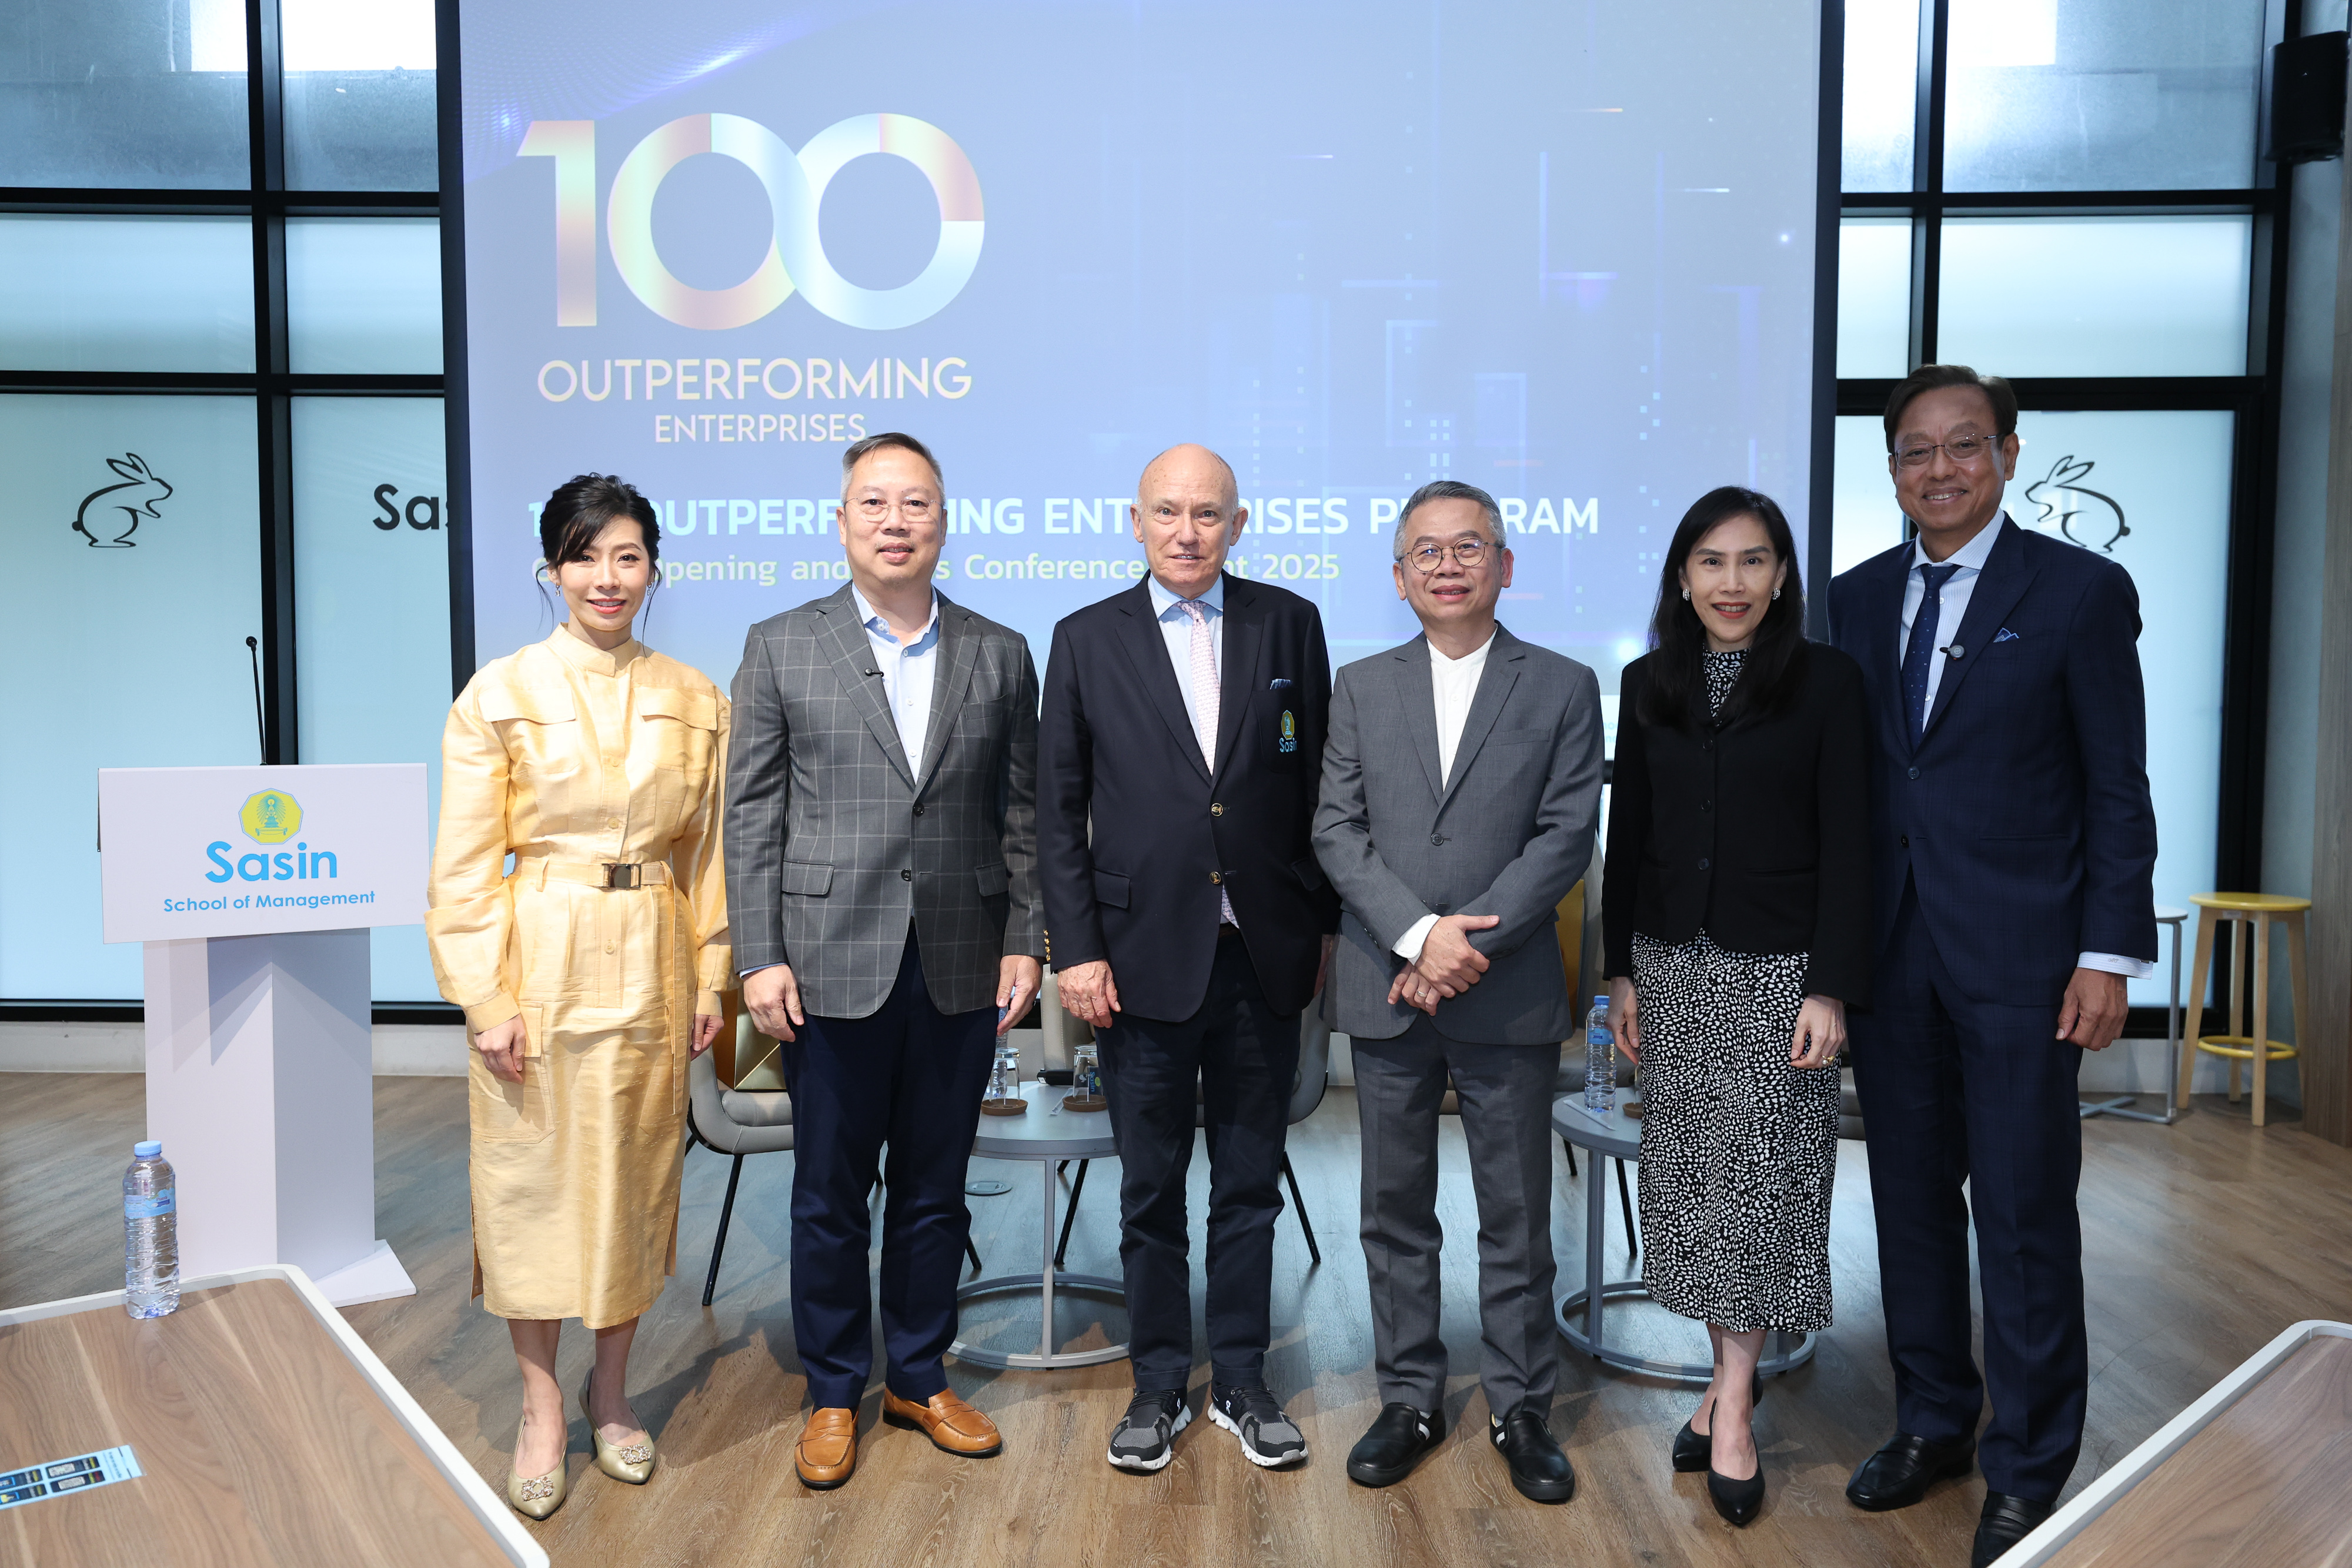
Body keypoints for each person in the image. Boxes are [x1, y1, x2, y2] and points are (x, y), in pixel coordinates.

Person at [1829, 366, 2156, 1568]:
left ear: (2009, 455)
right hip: (1892, 951)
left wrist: (2107, 952)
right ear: (1891, 471)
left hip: (2026, 954)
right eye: (1915, 451)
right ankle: (1932, 1420)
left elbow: (2116, 785)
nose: (1940, 469)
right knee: (1909, 1201)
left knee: (2022, 1212)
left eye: (1963, 445)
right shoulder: (1854, 599)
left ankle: (2028, 1462)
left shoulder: (2078, 591)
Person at [725, 432, 1044, 1490]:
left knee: (935, 1189)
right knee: (828, 1193)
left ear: (945, 520)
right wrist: (759, 955)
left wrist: (1024, 936)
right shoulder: (781, 644)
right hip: (825, 961)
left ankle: (916, 1374)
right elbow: (752, 815)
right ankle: (832, 1390)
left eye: (916, 503)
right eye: (875, 502)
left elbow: (1022, 814)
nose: (895, 521)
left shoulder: (1001, 651)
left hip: (960, 958)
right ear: (843, 520)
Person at [426, 473, 731, 1519]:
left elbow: (709, 856)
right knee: (531, 1183)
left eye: (628, 557)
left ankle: (612, 1393)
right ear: (551, 570)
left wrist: (713, 973)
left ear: (654, 570)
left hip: (653, 956)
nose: (608, 577)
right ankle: (541, 1404)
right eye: (585, 556)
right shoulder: (499, 692)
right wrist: (484, 997)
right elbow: (463, 867)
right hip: (539, 957)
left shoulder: (696, 698)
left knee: (632, 1181)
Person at [1039, 443, 1339, 1473]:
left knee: (1250, 1185)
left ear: (1237, 525)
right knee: (1150, 1192)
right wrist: (1076, 950)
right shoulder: (1085, 638)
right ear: (1135, 522)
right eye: (1167, 512)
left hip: (1264, 954)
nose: (1187, 531)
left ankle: (1244, 1381)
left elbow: (1318, 789)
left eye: (1208, 514)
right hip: (1138, 960)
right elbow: (1057, 813)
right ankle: (1160, 1382)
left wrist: (1321, 926)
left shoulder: (1290, 622)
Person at [1311, 480, 1603, 1503]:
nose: (1448, 565)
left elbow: (1567, 833)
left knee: (1516, 1211)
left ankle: (1523, 1407)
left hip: (1505, 986)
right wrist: (1418, 936)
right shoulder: (1360, 685)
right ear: (1399, 577)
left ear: (1505, 566)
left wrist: (1462, 943)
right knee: (1394, 1210)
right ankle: (1411, 1399)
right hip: (1388, 983)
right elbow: (1335, 828)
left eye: (1469, 547)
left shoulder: (1562, 684)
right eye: (1426, 552)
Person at [1600, 485, 1871, 1526]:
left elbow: (1851, 841)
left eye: (1753, 561)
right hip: (1674, 967)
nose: (1732, 582)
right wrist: (1621, 971)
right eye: (1711, 562)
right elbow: (1630, 839)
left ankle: (1734, 1412)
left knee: (1762, 1189)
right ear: (1683, 576)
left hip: (1780, 977)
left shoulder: (1827, 682)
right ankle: (1725, 1386)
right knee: (1697, 1185)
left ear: (1783, 575)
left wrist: (1830, 985)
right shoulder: (1648, 682)